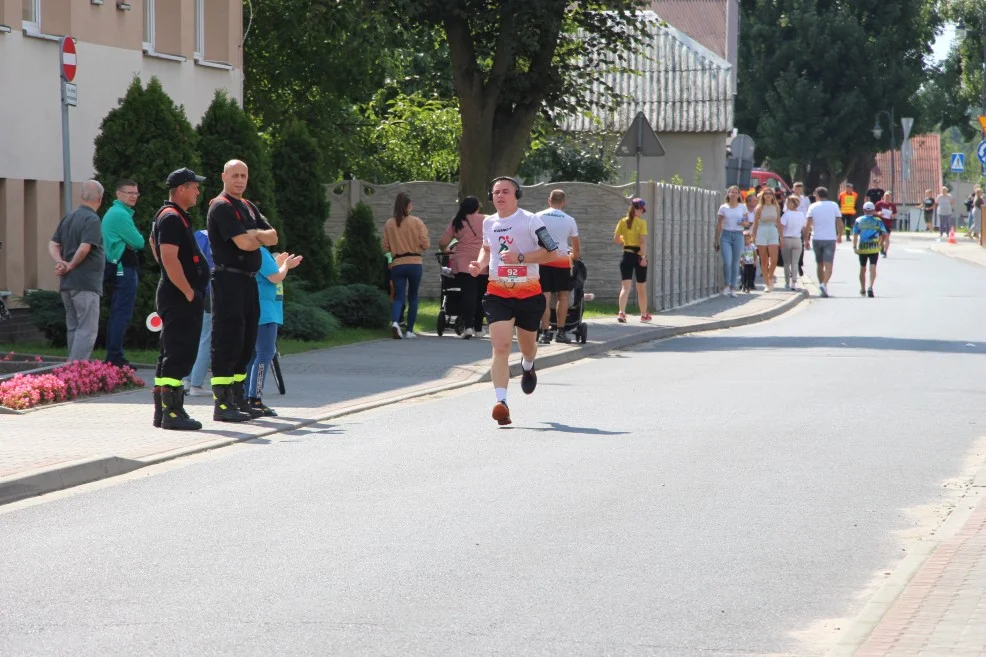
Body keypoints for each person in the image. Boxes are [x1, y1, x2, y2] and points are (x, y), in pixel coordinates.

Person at [468, 176, 558, 426]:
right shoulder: (489, 222)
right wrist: (480, 264)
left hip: (529, 293)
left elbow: (552, 252)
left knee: (527, 346)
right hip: (498, 293)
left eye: (505, 191)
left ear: (516, 195)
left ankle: (528, 365)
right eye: (495, 192)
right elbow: (487, 249)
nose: (499, 196)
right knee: (500, 346)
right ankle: (501, 403)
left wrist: (521, 258)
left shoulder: (530, 220)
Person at [207, 159, 278, 422]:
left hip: (248, 281)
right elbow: (246, 244)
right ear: (223, 176)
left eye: (244, 175)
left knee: (246, 341)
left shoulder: (247, 206)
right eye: (234, 175)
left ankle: (238, 398)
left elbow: (273, 237)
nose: (239, 180)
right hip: (228, 280)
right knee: (228, 339)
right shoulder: (221, 206)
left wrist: (254, 233)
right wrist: (255, 236)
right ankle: (222, 403)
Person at [148, 168, 210, 431]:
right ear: (182, 189)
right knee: (178, 353)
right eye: (194, 186)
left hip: (177, 294)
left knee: (172, 352)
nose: (198, 191)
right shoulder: (172, 217)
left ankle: (164, 412)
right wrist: (187, 290)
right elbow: (169, 257)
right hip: (179, 296)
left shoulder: (173, 216)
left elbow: (153, 243)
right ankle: (173, 412)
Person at [48, 180, 106, 362]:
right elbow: (84, 248)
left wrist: (61, 263)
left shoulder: (69, 217)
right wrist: (70, 265)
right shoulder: (92, 219)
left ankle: (70, 367)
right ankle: (77, 371)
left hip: (67, 283)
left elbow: (53, 244)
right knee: (87, 329)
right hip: (85, 282)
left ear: (81, 196)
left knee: (74, 327)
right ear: (100, 198)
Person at [245, 248, 303, 416]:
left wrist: (279, 264)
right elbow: (275, 277)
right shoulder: (260, 251)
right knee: (265, 354)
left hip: (262, 311)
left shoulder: (257, 252)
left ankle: (246, 395)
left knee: (254, 356)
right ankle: (255, 398)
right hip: (265, 312)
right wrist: (285, 265)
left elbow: (268, 273)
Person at [100, 179, 144, 367]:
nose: (133, 196)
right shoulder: (120, 214)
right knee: (121, 313)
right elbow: (139, 242)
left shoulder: (118, 212)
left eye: (136, 193)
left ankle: (114, 355)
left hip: (119, 267)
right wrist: (131, 242)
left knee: (118, 312)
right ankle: (115, 357)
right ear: (118, 194)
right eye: (129, 193)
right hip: (123, 268)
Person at [382, 191, 430, 339]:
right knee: (413, 296)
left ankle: (395, 322)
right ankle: (410, 330)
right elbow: (425, 244)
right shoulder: (417, 222)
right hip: (415, 263)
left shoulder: (389, 223)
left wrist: (391, 259)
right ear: (408, 206)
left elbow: (385, 247)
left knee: (398, 297)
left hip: (397, 264)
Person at [535, 189, 580, 343]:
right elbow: (576, 246)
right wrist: (574, 257)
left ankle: (545, 332)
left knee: (544, 296)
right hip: (562, 261)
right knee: (563, 295)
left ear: (549, 200)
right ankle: (561, 332)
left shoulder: (538, 216)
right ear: (564, 202)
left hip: (543, 260)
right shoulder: (569, 219)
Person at [440, 196, 488, 339]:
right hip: (482, 262)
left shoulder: (457, 221)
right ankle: (479, 328)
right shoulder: (487, 219)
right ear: (477, 208)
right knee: (481, 296)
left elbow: (443, 242)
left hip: (463, 263)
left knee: (468, 295)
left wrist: (445, 250)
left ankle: (468, 327)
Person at [183, 228, 214, 397]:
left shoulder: (198, 235)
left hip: (193, 290)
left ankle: (187, 379)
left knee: (194, 335)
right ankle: (196, 384)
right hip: (212, 291)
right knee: (206, 338)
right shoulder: (221, 238)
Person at [614, 198, 651, 322]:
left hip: (626, 255)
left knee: (625, 287)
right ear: (638, 209)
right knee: (641, 287)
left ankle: (621, 313)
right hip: (639, 255)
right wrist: (644, 257)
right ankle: (644, 315)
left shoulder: (622, 221)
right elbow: (643, 242)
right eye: (642, 210)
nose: (642, 212)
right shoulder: (641, 223)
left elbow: (617, 239)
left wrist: (626, 240)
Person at [806, 187, 844, 298]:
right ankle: (824, 284)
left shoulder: (812, 206)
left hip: (816, 238)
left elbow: (807, 225)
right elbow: (839, 223)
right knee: (829, 265)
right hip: (830, 238)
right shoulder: (834, 205)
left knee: (819, 264)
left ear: (817, 195)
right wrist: (839, 235)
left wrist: (806, 240)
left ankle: (822, 285)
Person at [715, 185, 748, 297]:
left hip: (738, 235)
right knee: (727, 262)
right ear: (728, 194)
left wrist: (744, 223)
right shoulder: (723, 208)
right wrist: (716, 239)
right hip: (726, 235)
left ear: (739, 195)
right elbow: (719, 224)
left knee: (735, 263)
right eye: (731, 192)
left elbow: (747, 222)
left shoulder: (742, 207)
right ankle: (726, 285)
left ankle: (733, 287)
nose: (733, 194)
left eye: (735, 192)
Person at [852, 202, 888, 298]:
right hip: (874, 248)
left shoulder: (858, 220)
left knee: (862, 268)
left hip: (863, 248)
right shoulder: (878, 221)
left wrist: (854, 247)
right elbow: (884, 234)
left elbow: (855, 235)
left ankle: (862, 288)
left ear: (863, 210)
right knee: (873, 267)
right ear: (873, 210)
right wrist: (881, 243)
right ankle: (870, 286)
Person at [752, 188, 782, 293]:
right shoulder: (759, 207)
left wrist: (781, 236)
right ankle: (767, 283)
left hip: (773, 230)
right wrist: (753, 236)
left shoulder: (776, 207)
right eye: (766, 194)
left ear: (773, 196)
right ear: (763, 196)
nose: (768, 195)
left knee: (774, 260)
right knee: (764, 260)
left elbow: (778, 221)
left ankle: (770, 277)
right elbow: (755, 223)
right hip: (762, 230)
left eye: (770, 193)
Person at [779, 195, 807, 290]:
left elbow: (781, 227)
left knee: (786, 263)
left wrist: (781, 238)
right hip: (797, 239)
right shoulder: (801, 214)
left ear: (793, 204)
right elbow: (804, 228)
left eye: (788, 203)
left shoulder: (786, 214)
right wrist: (805, 239)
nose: (786, 204)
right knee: (795, 262)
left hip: (786, 239)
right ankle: (794, 282)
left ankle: (787, 282)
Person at [874, 191, 897, 257]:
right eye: (886, 196)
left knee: (887, 237)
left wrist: (893, 216)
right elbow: (874, 212)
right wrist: (878, 213)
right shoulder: (879, 204)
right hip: (879, 223)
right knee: (880, 239)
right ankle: (881, 247)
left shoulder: (892, 206)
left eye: (888, 196)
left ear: (890, 197)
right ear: (883, 197)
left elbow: (895, 213)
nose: (887, 198)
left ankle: (885, 252)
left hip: (888, 224)